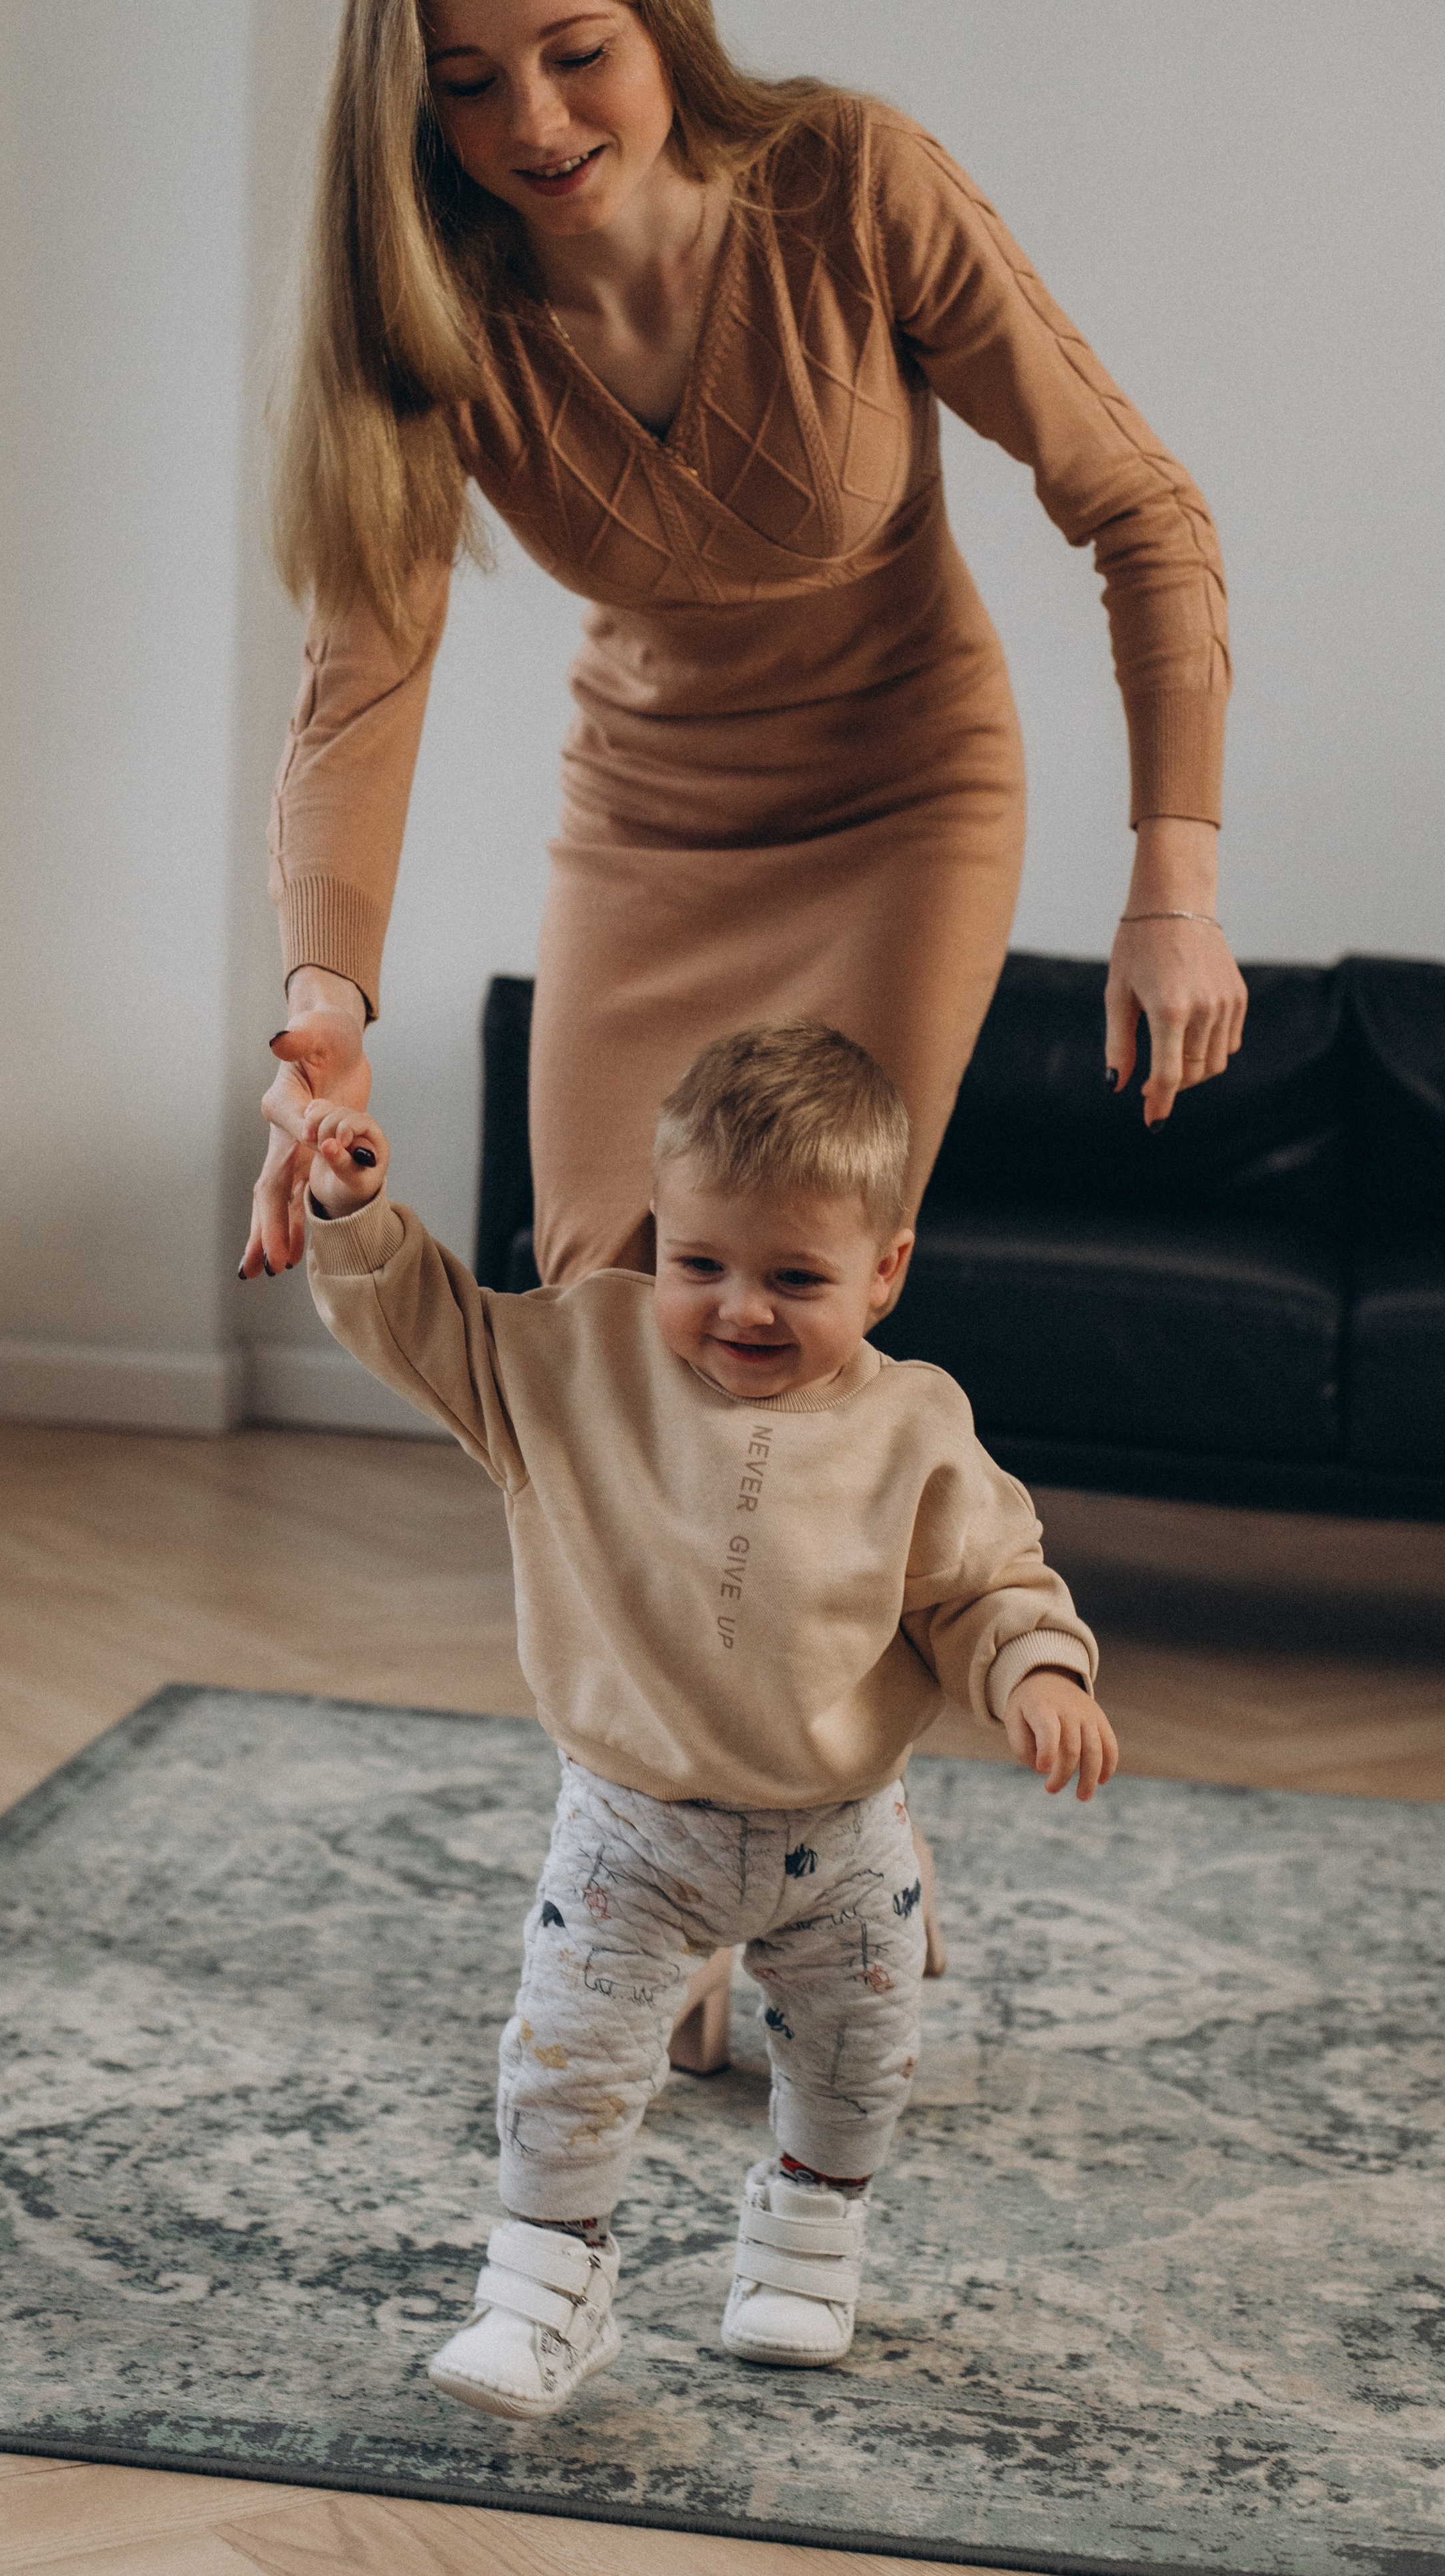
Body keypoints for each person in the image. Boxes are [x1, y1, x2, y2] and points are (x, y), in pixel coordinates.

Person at [243, 0, 1235, 1990]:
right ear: (407, 104)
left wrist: (1173, 877)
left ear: (661, 28)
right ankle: (667, 1860)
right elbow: (366, 674)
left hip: (907, 795)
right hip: (651, 827)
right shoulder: (434, 310)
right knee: (618, 1332)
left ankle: (830, 1826)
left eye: (575, 46)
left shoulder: (851, 187)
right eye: (462, 79)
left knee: (788, 1295)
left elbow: (1138, 504)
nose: (533, 117)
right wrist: (322, 994)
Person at [297, 1019, 1117, 2418]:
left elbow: (985, 1585)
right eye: (699, 1264)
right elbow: (420, 1320)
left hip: (841, 1840)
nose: (740, 1307)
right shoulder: (571, 1365)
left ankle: (806, 2241)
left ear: (885, 1269)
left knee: (857, 2066)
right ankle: (545, 2287)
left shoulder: (916, 1428)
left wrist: (1038, 1671)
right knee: (563, 2061)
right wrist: (354, 1211)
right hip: (629, 1832)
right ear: (657, 1235)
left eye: (794, 1277)